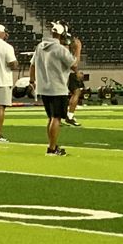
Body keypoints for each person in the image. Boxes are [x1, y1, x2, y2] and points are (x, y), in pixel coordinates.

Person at [31, 21, 81, 156]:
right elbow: (74, 65)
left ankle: (52, 145)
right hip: (57, 87)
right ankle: (52, 148)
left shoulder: (40, 46)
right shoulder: (60, 49)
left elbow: (32, 65)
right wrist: (77, 50)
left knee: (51, 118)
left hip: (44, 87)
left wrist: (32, 81)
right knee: (56, 118)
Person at [62, 25, 85, 126]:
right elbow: (74, 61)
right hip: (69, 71)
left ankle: (56, 118)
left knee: (60, 95)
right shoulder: (73, 42)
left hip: (60, 71)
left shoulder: (60, 41)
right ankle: (69, 116)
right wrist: (76, 71)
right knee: (76, 92)